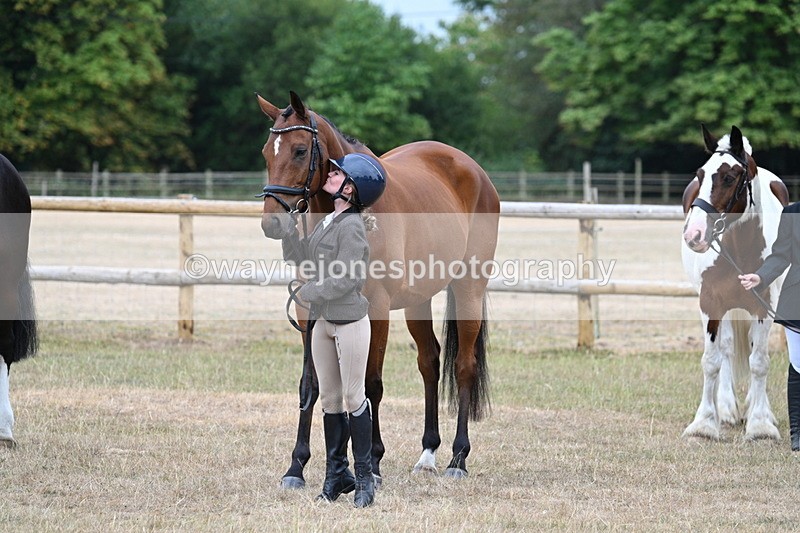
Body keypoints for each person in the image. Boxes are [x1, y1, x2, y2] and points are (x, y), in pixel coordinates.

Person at [281, 152, 386, 507]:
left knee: (354, 397)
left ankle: (364, 478)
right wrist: (289, 231)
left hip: (349, 321)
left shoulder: (352, 226)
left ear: (349, 188)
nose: (330, 175)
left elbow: (350, 277)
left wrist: (309, 292)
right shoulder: (328, 221)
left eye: (338, 174)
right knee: (329, 399)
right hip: (323, 322)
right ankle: (336, 474)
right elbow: (301, 258)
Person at [739, 201, 800, 451]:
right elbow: (781, 255)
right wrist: (761, 276)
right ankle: (797, 433)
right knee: (798, 364)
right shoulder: (792, 213)